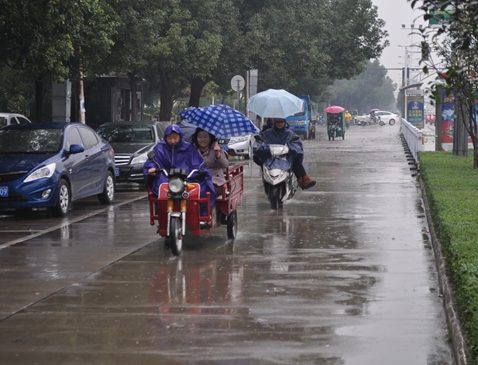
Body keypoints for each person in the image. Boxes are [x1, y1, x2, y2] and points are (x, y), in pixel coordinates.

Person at [143, 124, 216, 210]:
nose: (173, 141)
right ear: (165, 137)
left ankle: (200, 211)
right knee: (158, 188)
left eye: (175, 137)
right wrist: (152, 168)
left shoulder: (188, 148)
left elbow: (196, 163)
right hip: (165, 178)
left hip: (187, 177)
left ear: (180, 137)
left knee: (202, 187)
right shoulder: (159, 148)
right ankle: (162, 212)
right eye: (170, 138)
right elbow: (152, 161)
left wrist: (197, 171)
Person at [253, 118, 316, 190]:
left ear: (284, 123)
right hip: (270, 156)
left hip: (285, 156)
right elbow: (260, 141)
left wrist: (291, 148)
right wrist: (264, 148)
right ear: (274, 122)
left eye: (281, 122)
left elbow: (296, 142)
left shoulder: (289, 133)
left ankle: (303, 180)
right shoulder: (267, 132)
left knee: (295, 160)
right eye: (278, 122)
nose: (279, 124)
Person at [191, 128, 228, 198]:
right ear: (196, 138)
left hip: (215, 180)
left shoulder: (215, 148)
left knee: (206, 192)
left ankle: (209, 208)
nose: (202, 139)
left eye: (205, 137)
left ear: (210, 138)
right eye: (200, 137)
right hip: (197, 179)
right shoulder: (193, 150)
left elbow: (225, 165)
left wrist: (218, 153)